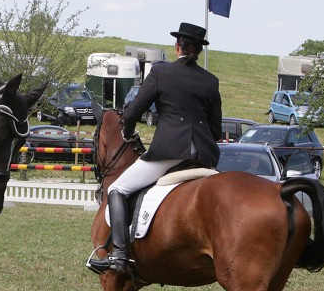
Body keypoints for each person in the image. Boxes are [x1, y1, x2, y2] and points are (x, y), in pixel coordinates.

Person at [87, 22, 223, 274]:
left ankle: (118, 255)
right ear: (199, 51)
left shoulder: (161, 74)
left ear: (177, 46)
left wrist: (127, 133)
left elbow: (131, 114)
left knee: (117, 189)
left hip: (170, 153)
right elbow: (215, 129)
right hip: (205, 156)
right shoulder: (210, 81)